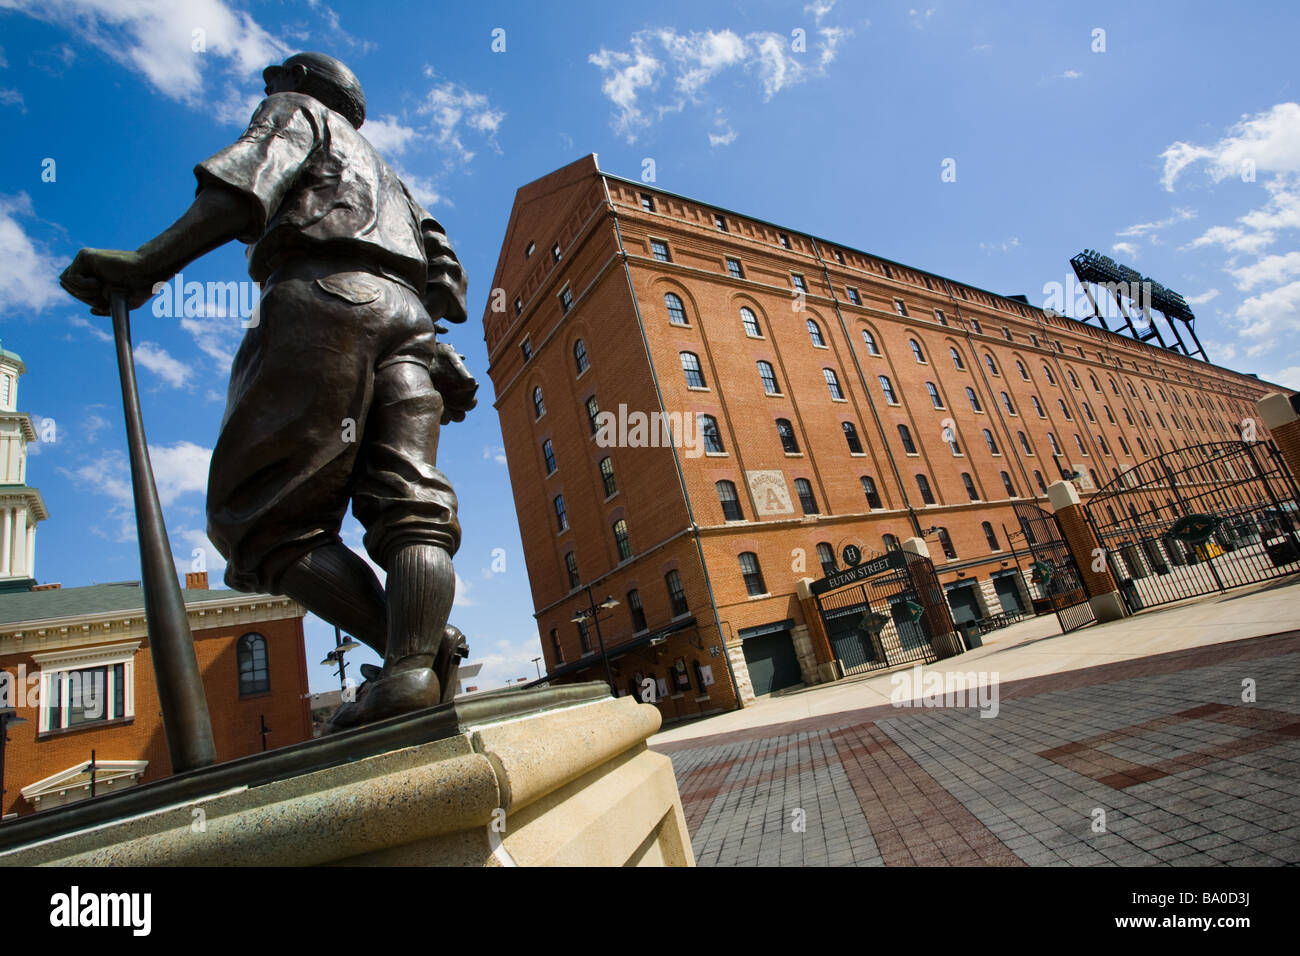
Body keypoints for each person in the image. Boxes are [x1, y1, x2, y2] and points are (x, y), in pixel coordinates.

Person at [60, 52, 476, 731]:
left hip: (323, 303)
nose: (265, 89)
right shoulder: (397, 182)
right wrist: (433, 349)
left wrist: (149, 264)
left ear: (308, 86)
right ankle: (416, 657)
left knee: (255, 519)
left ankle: (412, 666)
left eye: (274, 80)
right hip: (406, 323)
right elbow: (443, 276)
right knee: (410, 499)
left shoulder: (298, 112)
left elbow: (245, 187)